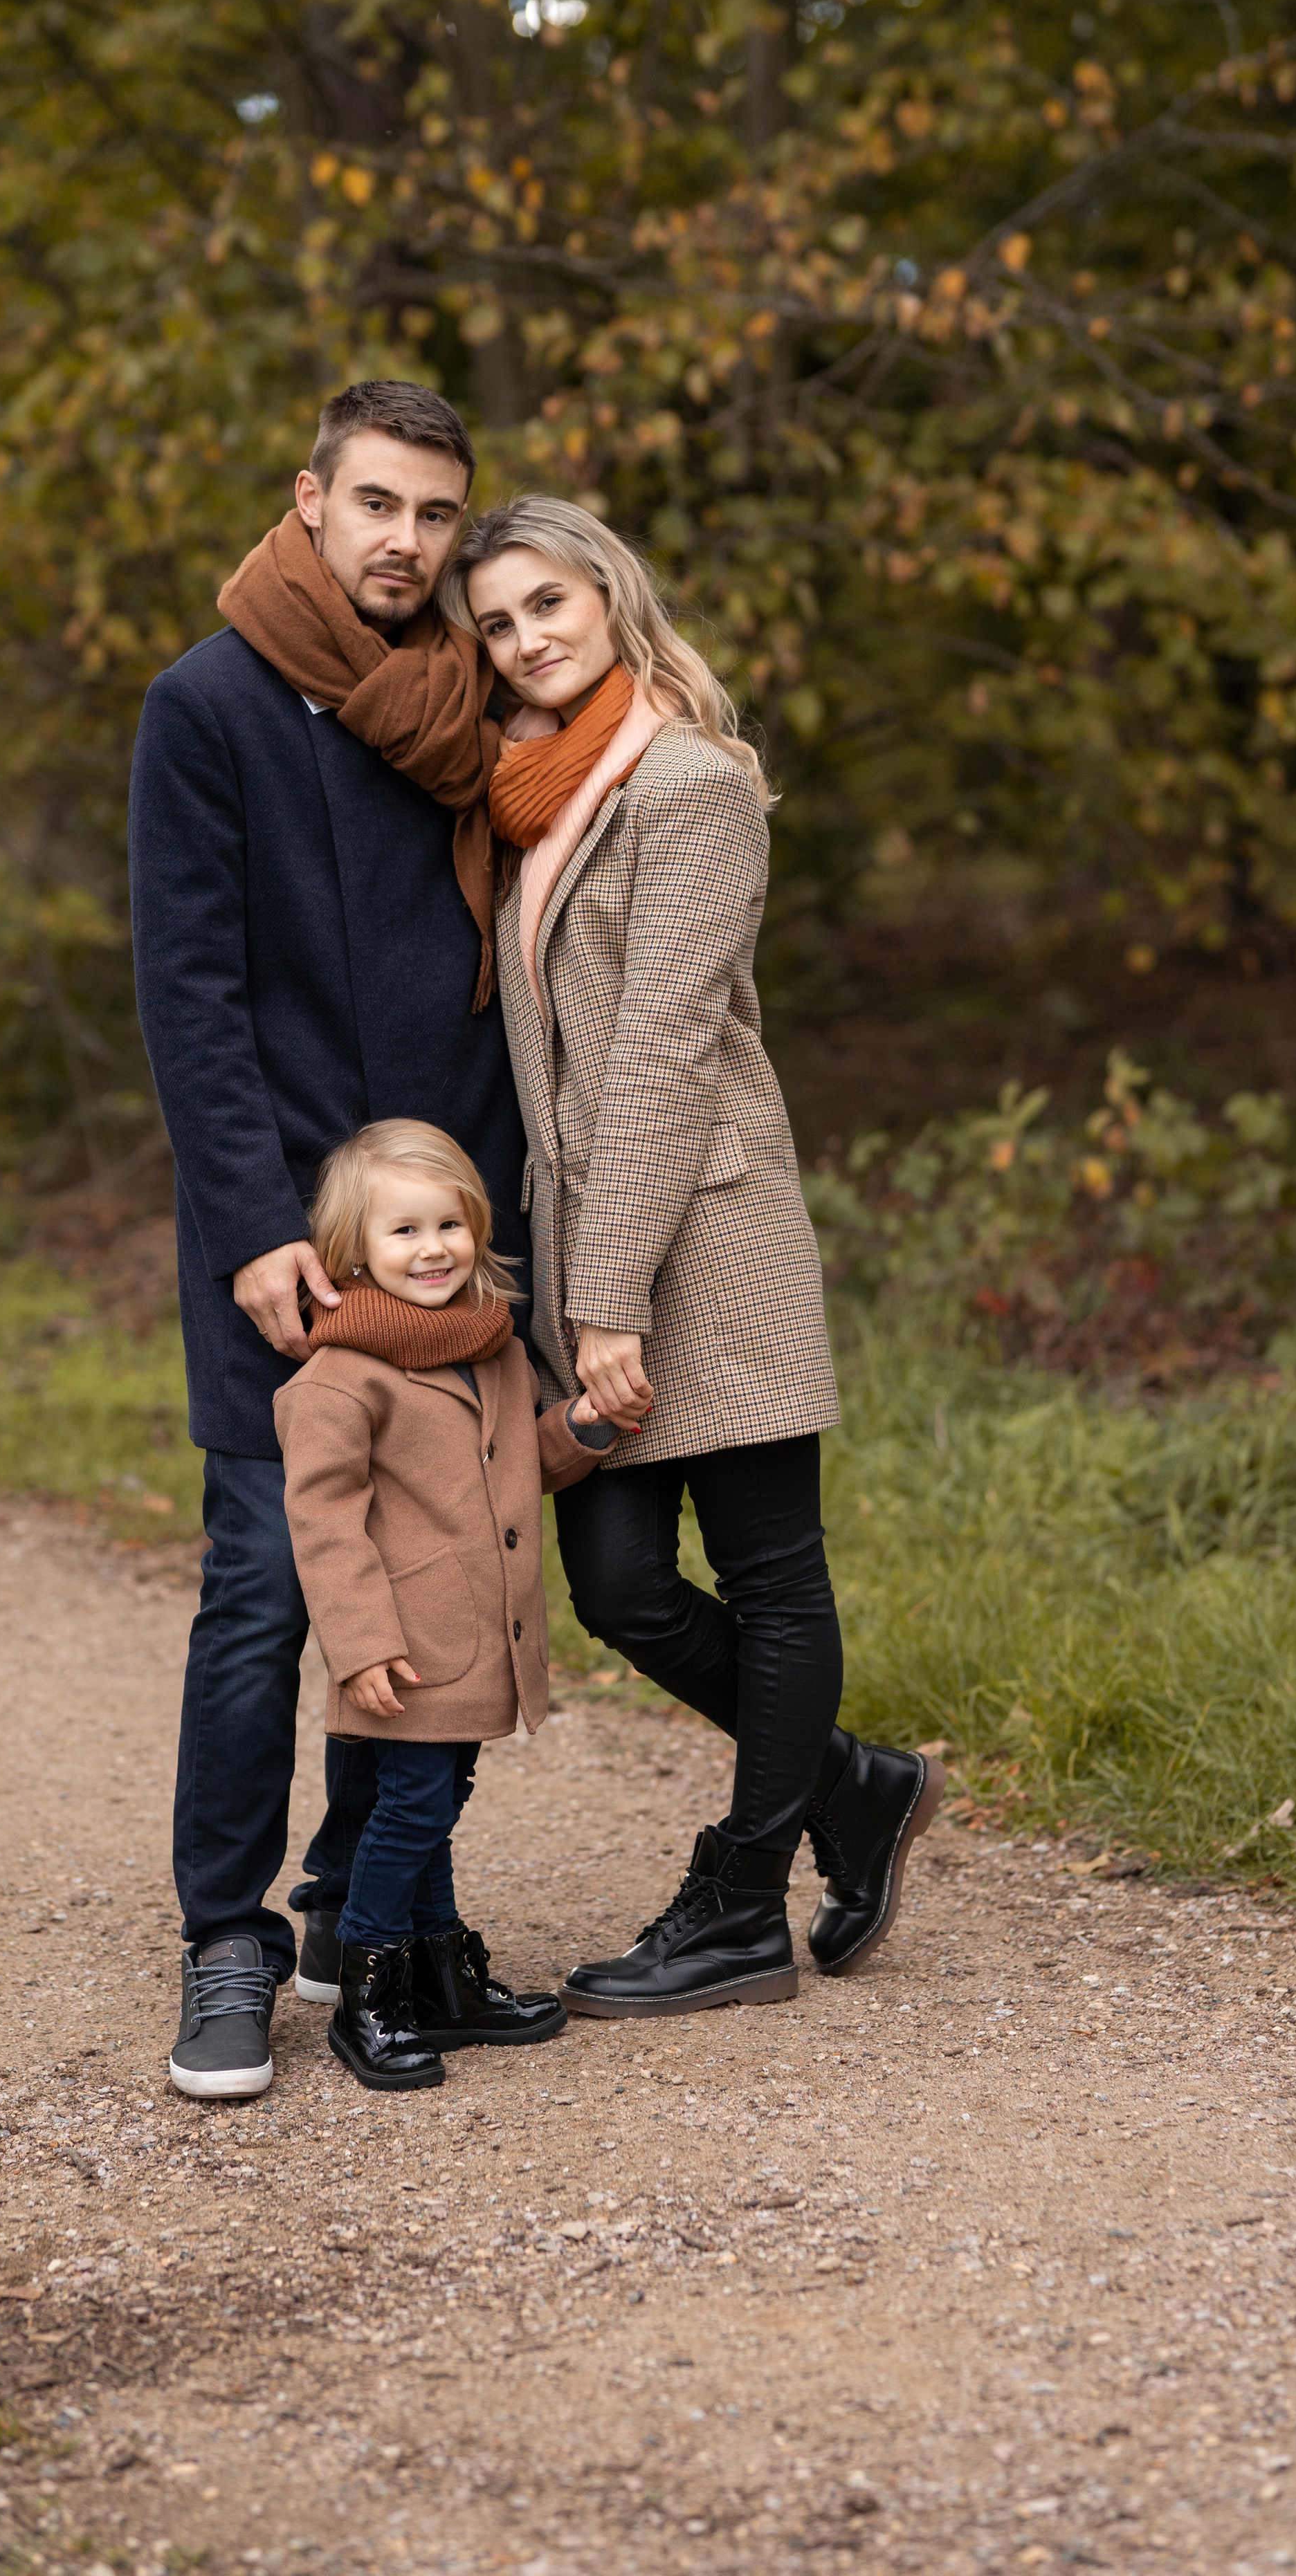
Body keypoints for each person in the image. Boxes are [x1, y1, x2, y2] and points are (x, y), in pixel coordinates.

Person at [437, 499, 941, 2018]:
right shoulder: (531, 794)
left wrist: (605, 1302)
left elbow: (661, 1046)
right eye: (496, 624)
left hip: (706, 1238)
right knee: (618, 1585)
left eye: (546, 604)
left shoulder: (691, 782)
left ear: (608, 593)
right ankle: (852, 1788)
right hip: (587, 1235)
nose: (525, 639)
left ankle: (738, 1903)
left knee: (770, 1570)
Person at [129, 380, 523, 2101]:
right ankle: (225, 1936)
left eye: (435, 515)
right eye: (376, 504)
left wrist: (499, 1224)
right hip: (283, 1230)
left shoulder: (467, 701)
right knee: (265, 1587)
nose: (405, 542)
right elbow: (188, 990)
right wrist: (245, 1227)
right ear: (309, 499)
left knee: (429, 1572)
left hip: (444, 1227)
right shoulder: (204, 704)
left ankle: (373, 1922)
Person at [273, 1118, 621, 2089]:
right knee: (414, 1807)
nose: (432, 1250)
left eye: (449, 1226)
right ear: (351, 1252)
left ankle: (439, 1974)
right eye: (404, 1232)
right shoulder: (339, 1380)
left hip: (480, 1634)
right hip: (407, 1643)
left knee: (435, 1799)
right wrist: (359, 1645)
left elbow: (512, 1469)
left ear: (478, 1228)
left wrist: (580, 1428)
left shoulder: (492, 1350)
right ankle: (371, 1989)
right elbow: (323, 1524)